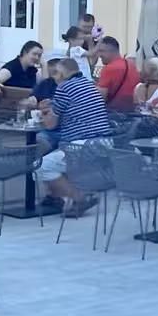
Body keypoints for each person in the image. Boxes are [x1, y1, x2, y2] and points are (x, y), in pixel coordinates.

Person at [35, 53, 113, 216]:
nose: (53, 77)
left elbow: (50, 125)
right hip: (104, 143)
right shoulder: (88, 84)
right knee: (54, 158)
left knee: (41, 166)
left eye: (55, 73)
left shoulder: (64, 87)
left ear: (62, 74)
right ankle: (58, 198)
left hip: (83, 146)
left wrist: (43, 113)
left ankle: (79, 197)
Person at [95, 36, 140, 110]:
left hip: (114, 113)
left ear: (112, 51)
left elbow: (100, 98)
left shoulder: (109, 69)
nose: (100, 55)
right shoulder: (132, 65)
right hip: (132, 111)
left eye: (102, 51)